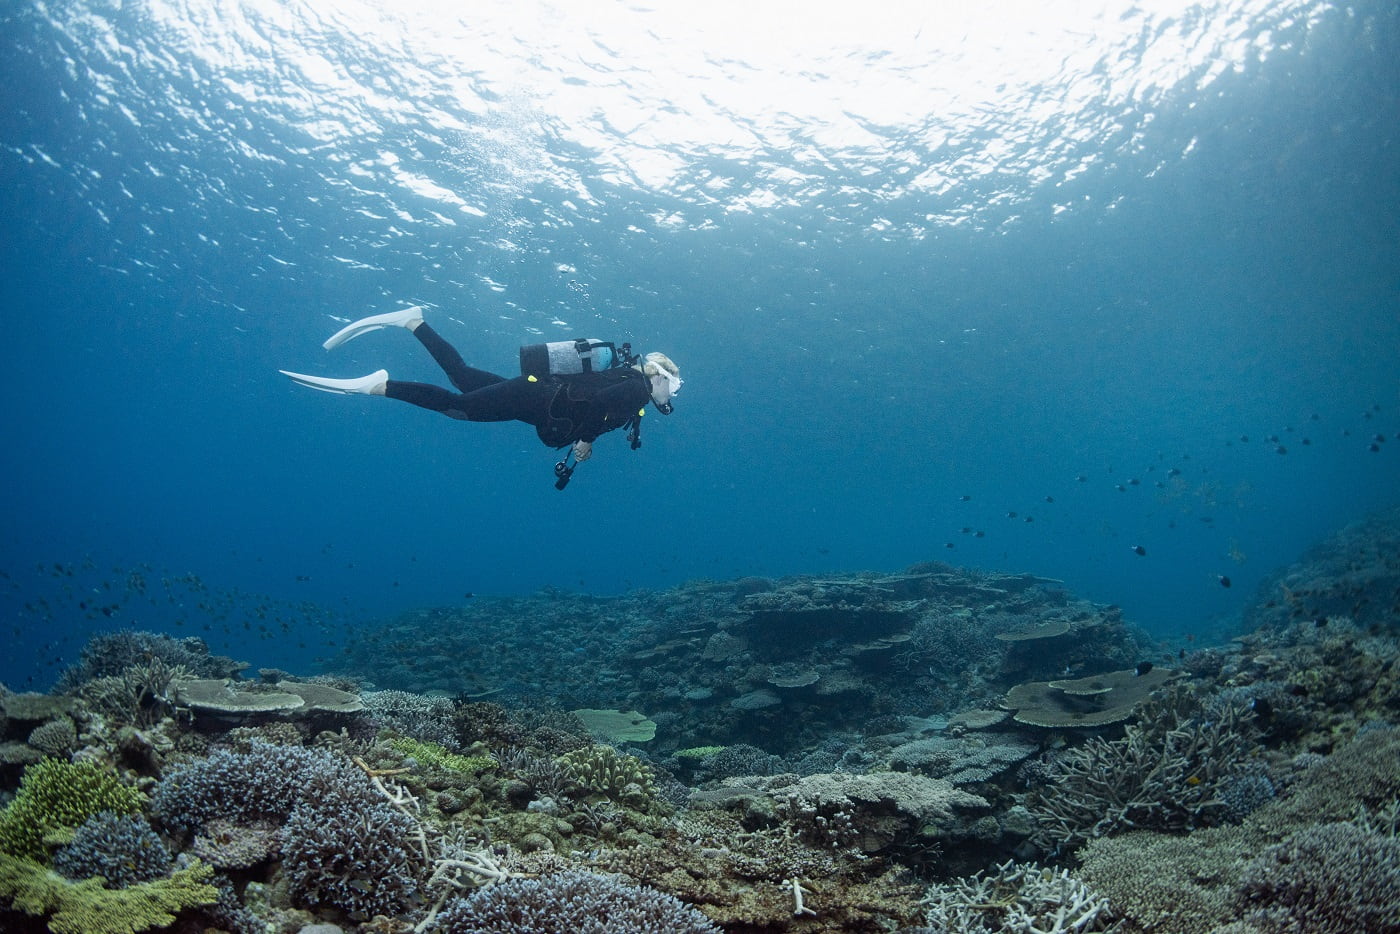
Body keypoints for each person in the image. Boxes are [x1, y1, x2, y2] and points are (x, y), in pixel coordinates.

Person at [279, 307, 681, 488]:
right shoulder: (636, 387)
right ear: (659, 375)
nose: (673, 394)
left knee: (464, 377)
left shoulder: (633, 389)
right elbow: (593, 408)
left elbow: (591, 404)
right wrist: (586, 440)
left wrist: (584, 434)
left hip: (536, 395)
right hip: (534, 397)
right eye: (674, 385)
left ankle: (413, 322)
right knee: (462, 408)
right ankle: (380, 385)